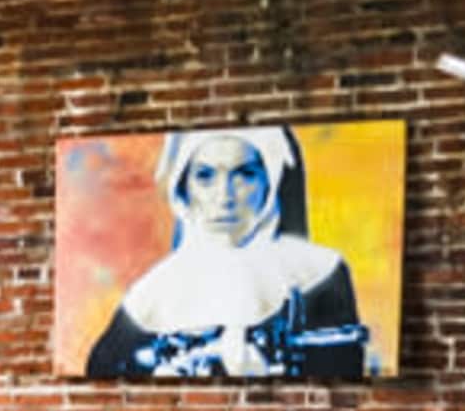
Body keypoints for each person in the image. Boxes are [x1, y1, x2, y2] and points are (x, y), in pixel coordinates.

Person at [84, 126, 369, 382]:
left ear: (270, 181)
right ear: (184, 188)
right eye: (205, 176)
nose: (225, 197)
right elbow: (103, 373)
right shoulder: (152, 293)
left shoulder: (318, 272)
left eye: (244, 175)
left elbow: (343, 380)